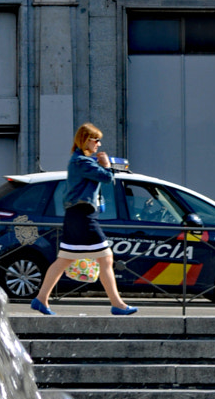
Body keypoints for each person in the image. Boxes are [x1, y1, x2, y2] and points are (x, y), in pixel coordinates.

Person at [32, 124, 137, 316]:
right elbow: (107, 178)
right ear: (85, 140)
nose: (98, 144)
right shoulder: (82, 162)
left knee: (64, 260)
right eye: (95, 139)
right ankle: (117, 304)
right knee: (105, 257)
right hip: (83, 216)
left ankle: (41, 299)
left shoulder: (79, 161)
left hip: (77, 215)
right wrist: (106, 164)